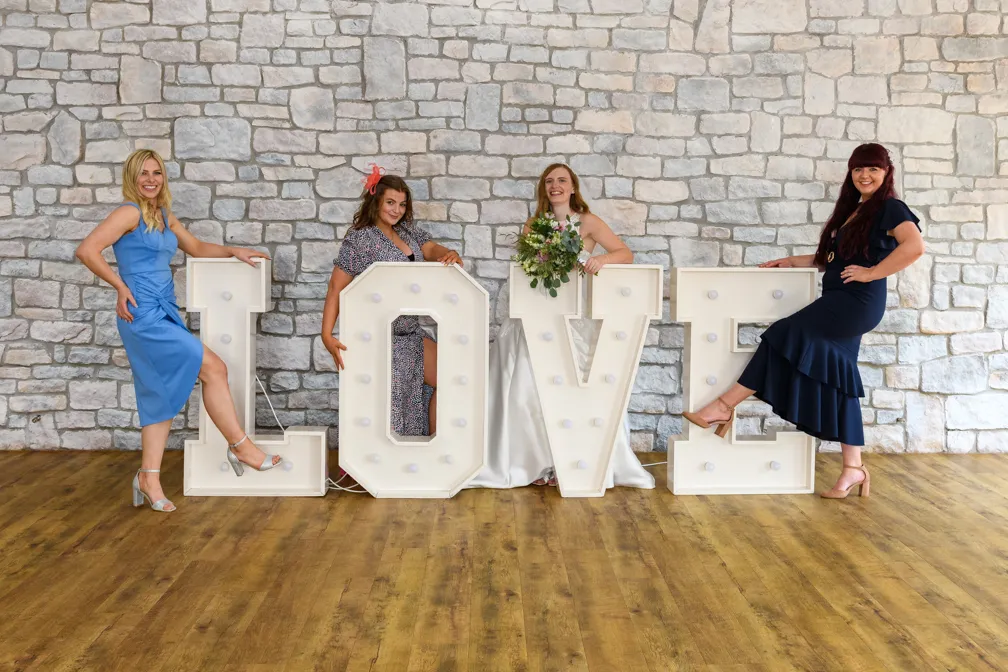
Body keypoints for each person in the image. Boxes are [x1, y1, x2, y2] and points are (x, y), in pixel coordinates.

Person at [682, 143, 925, 499]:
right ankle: (853, 469)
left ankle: (724, 405)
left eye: (872, 168)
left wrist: (873, 273)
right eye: (858, 169)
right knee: (841, 381)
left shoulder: (890, 207)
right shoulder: (854, 212)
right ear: (850, 173)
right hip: (839, 298)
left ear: (887, 172)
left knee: (785, 332)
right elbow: (831, 257)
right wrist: (790, 262)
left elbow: (914, 246)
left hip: (857, 302)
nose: (864, 175)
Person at [75, 149, 282, 513]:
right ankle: (240, 446)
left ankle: (148, 477)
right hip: (141, 314)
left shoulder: (163, 215)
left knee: (160, 392)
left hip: (166, 311)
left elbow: (197, 247)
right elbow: (87, 250)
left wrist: (233, 250)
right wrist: (120, 287)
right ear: (132, 178)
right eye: (143, 174)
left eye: (156, 172)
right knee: (213, 368)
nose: (151, 179)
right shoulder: (129, 212)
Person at [469, 163, 655, 489]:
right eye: (550, 181)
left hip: (573, 316)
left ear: (572, 188)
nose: (555, 185)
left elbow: (625, 254)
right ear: (544, 188)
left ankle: (570, 462)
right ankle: (534, 461)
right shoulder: (533, 225)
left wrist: (600, 261)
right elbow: (530, 270)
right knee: (529, 382)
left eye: (562, 181)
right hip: (540, 309)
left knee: (571, 384)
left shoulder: (588, 222)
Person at [321, 170, 462, 437]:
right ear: (376, 201)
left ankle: (433, 452)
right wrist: (326, 333)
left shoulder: (408, 232)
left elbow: (430, 250)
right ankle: (387, 466)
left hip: (411, 332)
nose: (397, 210)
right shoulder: (360, 239)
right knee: (390, 401)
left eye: (402, 204)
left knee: (452, 377)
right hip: (381, 336)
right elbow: (336, 288)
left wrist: (448, 254)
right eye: (390, 202)